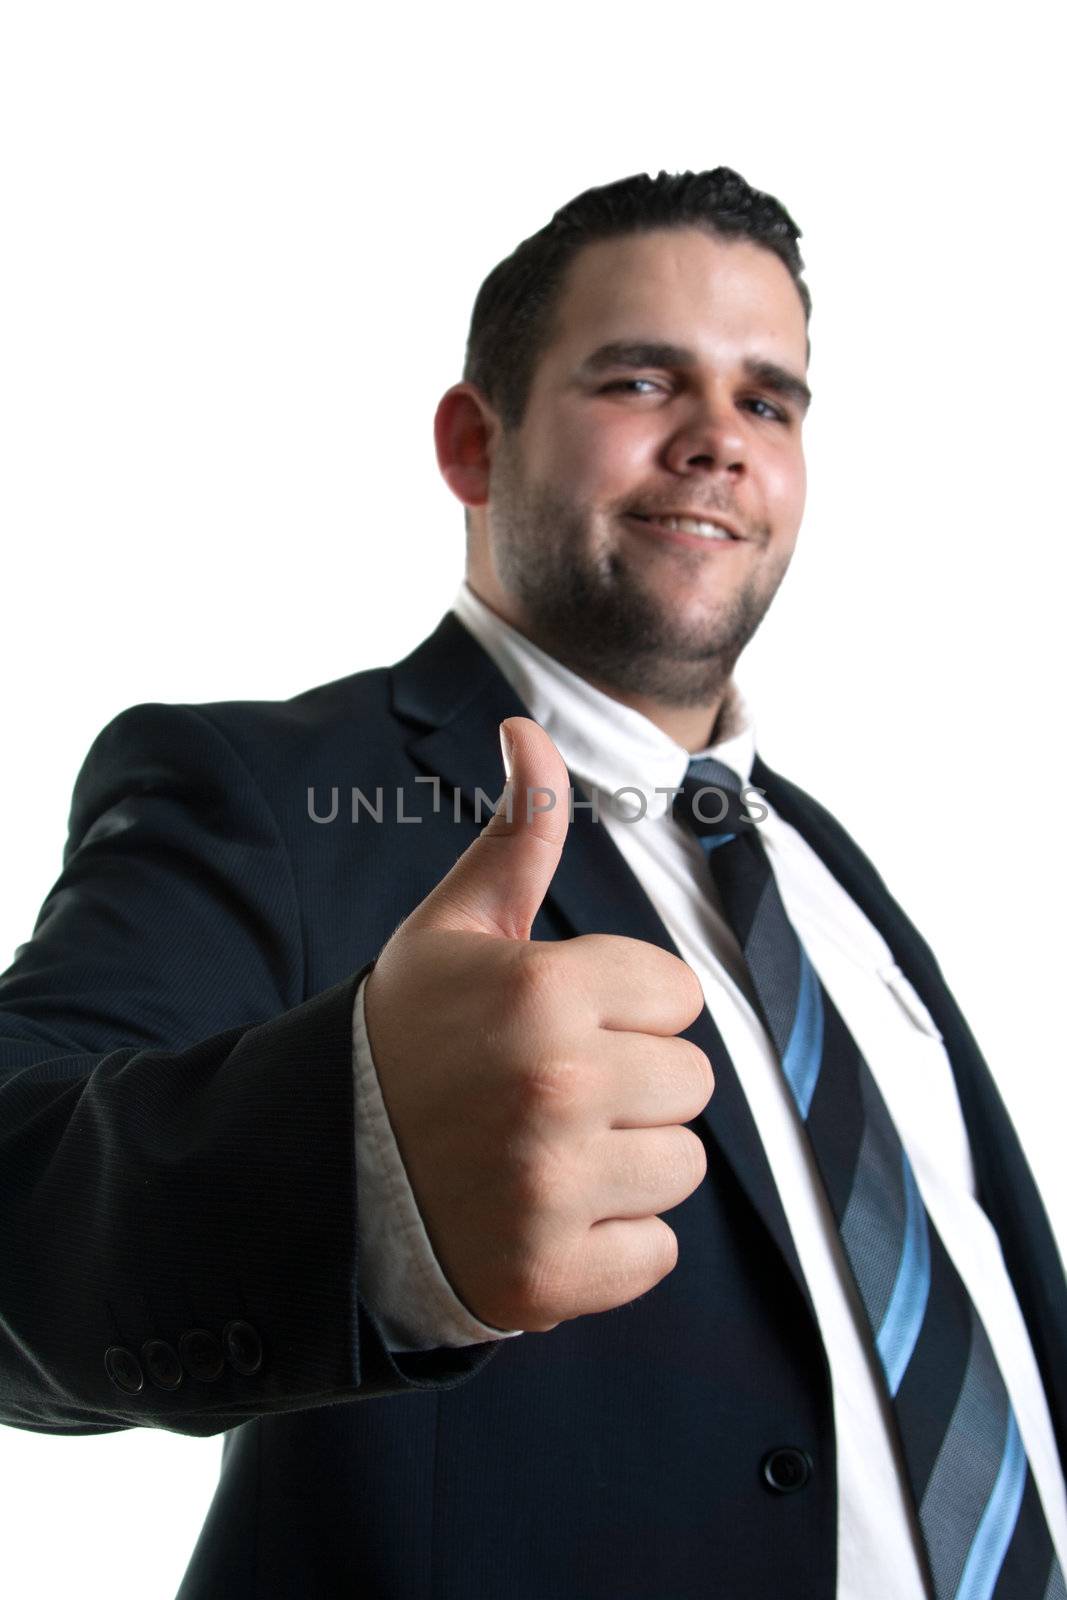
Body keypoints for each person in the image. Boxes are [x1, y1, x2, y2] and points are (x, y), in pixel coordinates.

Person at [1, 168, 1064, 1600]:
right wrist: (364, 1170)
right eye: (641, 379)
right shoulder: (268, 793)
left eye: (769, 402)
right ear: (472, 442)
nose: (717, 444)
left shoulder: (825, 868)